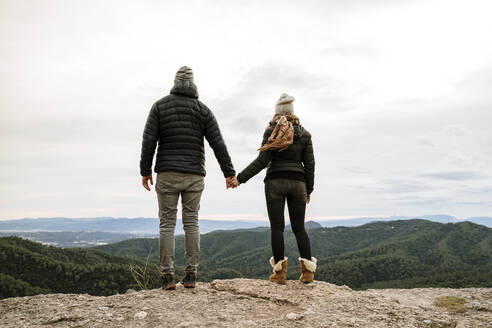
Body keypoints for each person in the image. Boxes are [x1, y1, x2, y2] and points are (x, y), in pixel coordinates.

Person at [140, 66, 236, 290]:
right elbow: (218, 143)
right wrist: (229, 173)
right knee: (191, 222)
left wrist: (145, 171)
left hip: (167, 173)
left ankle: (167, 277)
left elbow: (148, 141)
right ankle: (191, 275)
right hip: (194, 174)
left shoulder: (159, 107)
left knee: (167, 223)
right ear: (193, 85)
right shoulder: (203, 110)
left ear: (175, 83)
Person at [229, 93, 316, 284]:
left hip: (275, 183)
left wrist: (240, 178)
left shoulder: (272, 131)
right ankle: (308, 274)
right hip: (298, 184)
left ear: (277, 113)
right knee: (299, 228)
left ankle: (279, 275)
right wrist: (308, 189)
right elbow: (310, 165)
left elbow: (262, 160)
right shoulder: (305, 134)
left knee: (277, 228)